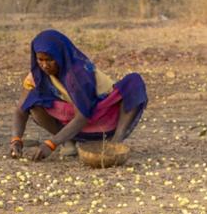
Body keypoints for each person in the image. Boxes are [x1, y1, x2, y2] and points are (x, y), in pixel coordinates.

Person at [10, 29, 148, 161]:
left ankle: (116, 142)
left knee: (133, 82)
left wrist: (51, 144)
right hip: (70, 122)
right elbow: (20, 110)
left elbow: (83, 116)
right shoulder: (37, 76)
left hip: (102, 116)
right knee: (33, 102)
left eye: (49, 60)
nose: (44, 65)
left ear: (60, 55)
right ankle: (68, 141)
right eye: (40, 60)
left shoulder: (77, 73)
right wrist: (16, 140)